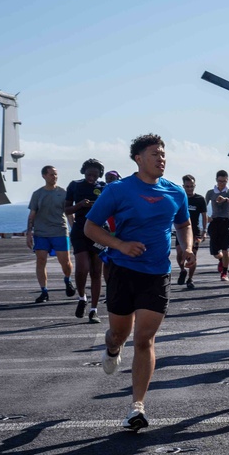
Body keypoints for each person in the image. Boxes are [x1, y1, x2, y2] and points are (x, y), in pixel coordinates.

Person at [83, 133, 193, 431]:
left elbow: (183, 224)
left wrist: (187, 246)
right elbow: (90, 227)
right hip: (123, 270)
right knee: (119, 334)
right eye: (155, 154)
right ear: (139, 158)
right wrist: (120, 245)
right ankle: (112, 348)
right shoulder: (118, 190)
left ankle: (137, 407)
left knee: (145, 339)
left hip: (157, 273)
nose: (161, 158)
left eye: (163, 154)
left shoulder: (175, 192)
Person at [65, 159, 107, 324]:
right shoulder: (75, 185)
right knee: (82, 268)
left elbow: (111, 207)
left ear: (99, 175)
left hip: (99, 232)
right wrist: (80, 205)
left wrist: (96, 205)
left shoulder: (104, 187)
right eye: (89, 174)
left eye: (95, 175)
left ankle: (94, 310)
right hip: (80, 231)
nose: (91, 177)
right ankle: (82, 297)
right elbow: (66, 209)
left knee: (96, 272)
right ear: (84, 172)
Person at [27, 165, 75, 302]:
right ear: (44, 176)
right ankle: (44, 291)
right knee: (40, 261)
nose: (54, 177)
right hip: (41, 233)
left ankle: (67, 279)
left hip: (59, 231)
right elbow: (32, 215)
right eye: (51, 174)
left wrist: (75, 230)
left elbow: (69, 214)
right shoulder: (38, 194)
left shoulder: (63, 193)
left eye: (55, 174)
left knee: (65, 262)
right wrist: (29, 233)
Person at [176, 175, 207, 289]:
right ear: (183, 186)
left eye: (191, 186)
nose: (189, 189)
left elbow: (204, 216)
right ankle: (182, 270)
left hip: (195, 232)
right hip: (181, 231)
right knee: (180, 253)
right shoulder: (180, 198)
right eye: (187, 186)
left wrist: (204, 231)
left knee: (192, 255)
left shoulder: (199, 199)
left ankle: (190, 279)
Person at [205, 170, 229, 281]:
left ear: (227, 181)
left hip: (226, 221)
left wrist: (226, 200)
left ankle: (225, 272)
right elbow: (203, 206)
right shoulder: (210, 192)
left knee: (225, 248)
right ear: (216, 180)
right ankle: (221, 260)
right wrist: (207, 218)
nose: (222, 183)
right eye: (220, 181)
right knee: (214, 252)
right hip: (214, 222)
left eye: (224, 181)